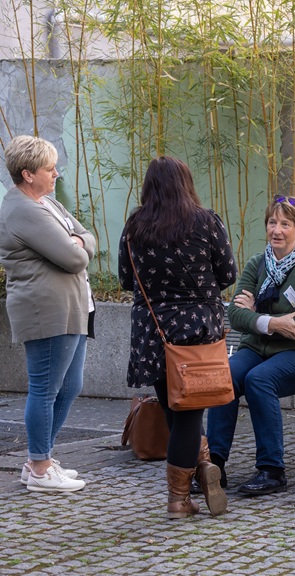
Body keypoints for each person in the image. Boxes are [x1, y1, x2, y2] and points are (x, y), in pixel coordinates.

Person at [118, 156, 237, 518]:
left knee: (175, 410)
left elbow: (126, 280)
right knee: (187, 416)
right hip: (195, 332)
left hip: (152, 334)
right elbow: (228, 272)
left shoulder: (134, 226)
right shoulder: (205, 221)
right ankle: (179, 499)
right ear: (186, 183)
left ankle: (200, 466)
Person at [206, 195, 295, 496]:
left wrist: (257, 316)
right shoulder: (256, 263)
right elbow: (235, 315)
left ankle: (272, 470)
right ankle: (213, 467)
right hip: (258, 350)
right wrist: (274, 322)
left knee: (259, 379)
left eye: (285, 224)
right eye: (272, 222)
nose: (277, 230)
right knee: (224, 375)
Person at [0, 135, 95, 493]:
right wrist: (76, 245)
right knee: (45, 389)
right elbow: (75, 258)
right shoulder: (25, 210)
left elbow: (88, 238)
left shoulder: (47, 203)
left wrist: (77, 240)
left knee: (70, 386)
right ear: (27, 174)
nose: (56, 173)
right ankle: (40, 467)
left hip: (71, 308)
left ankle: (41, 459)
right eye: (49, 168)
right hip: (46, 311)